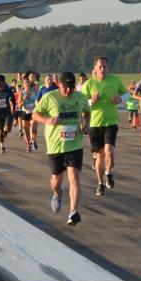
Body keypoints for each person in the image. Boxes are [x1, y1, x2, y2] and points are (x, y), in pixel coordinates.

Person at [32, 71, 91, 226]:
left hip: (75, 144)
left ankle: (73, 212)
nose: (68, 91)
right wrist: (47, 120)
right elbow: (35, 115)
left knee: (74, 177)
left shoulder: (80, 97)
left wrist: (86, 125)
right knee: (57, 180)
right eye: (65, 87)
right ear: (59, 84)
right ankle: (57, 193)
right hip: (55, 145)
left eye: (71, 88)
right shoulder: (49, 97)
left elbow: (87, 111)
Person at [82, 56, 127, 196]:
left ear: (109, 67)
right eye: (100, 66)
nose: (102, 69)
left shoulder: (115, 80)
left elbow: (126, 94)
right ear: (95, 68)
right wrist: (91, 101)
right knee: (99, 157)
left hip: (111, 122)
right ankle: (100, 183)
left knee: (109, 152)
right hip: (95, 125)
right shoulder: (89, 84)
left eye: (105, 66)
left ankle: (108, 172)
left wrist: (120, 99)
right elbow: (82, 104)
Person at [19, 77, 40, 151]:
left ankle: (33, 141)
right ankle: (28, 145)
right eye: (25, 83)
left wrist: (37, 105)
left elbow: (38, 100)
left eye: (28, 82)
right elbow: (19, 105)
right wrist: (25, 99)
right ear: (23, 85)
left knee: (33, 127)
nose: (27, 84)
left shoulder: (34, 91)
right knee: (27, 131)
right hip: (25, 112)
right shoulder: (22, 93)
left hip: (33, 112)